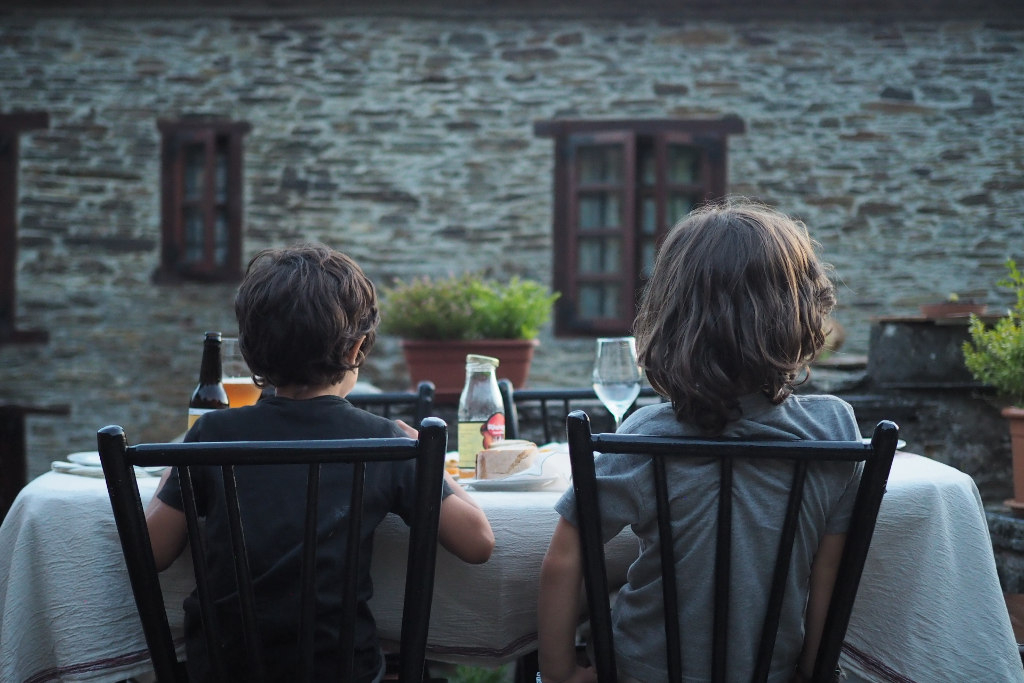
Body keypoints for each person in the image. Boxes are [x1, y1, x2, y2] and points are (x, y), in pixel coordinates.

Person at [537, 201, 862, 683]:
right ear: (797, 312)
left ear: (669, 315)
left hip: (642, 671)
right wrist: (814, 672)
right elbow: (828, 576)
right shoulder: (833, 431)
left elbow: (565, 558)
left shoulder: (642, 438)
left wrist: (560, 674)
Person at [145, 244, 495, 683]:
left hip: (221, 669)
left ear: (253, 353)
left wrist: (173, 467)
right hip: (342, 668)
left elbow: (150, 552)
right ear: (357, 348)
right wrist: (426, 457)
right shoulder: (385, 442)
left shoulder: (213, 435)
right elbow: (479, 542)